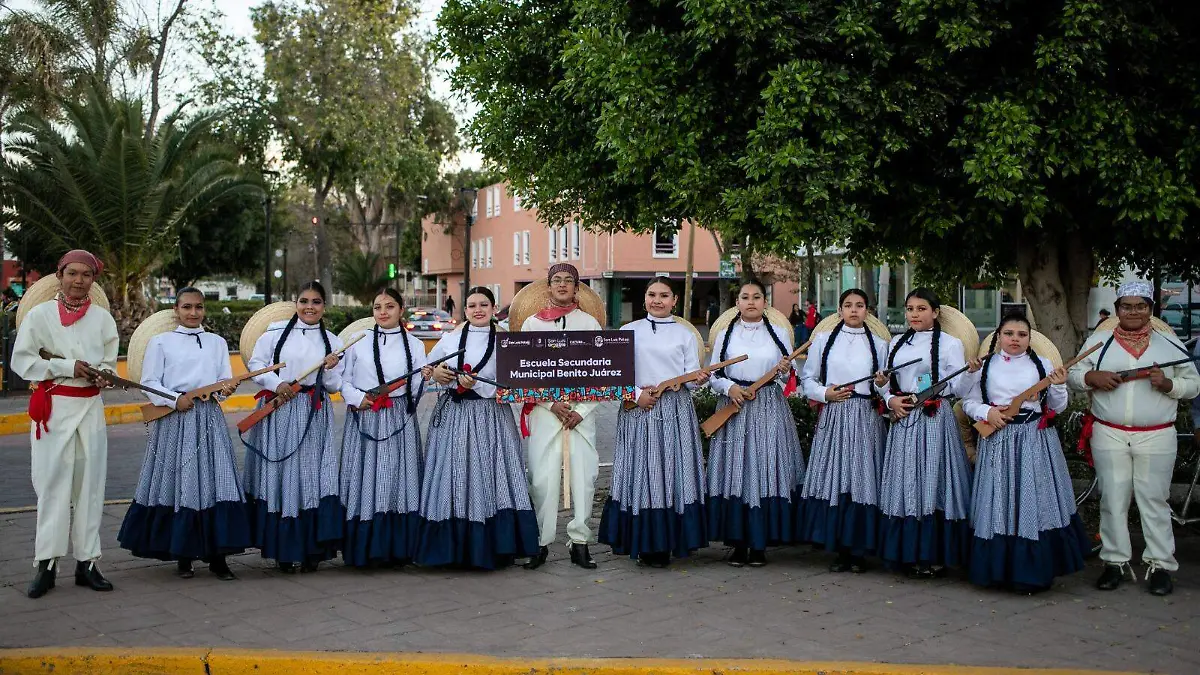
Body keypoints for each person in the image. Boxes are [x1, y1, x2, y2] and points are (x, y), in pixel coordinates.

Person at [1068, 280, 1200, 596]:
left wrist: (1168, 385)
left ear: (1150, 310)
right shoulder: (1099, 341)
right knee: (1113, 498)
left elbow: (1194, 385)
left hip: (1156, 435)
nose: (1134, 312)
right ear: (1117, 310)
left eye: (1141, 306)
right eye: (1127, 306)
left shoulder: (1170, 345)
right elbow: (1071, 375)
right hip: (1109, 432)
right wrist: (1090, 377)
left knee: (1154, 500)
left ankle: (1160, 565)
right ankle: (1115, 563)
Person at [117, 288, 247, 580]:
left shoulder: (216, 342)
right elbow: (149, 382)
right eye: (187, 307)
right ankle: (183, 554)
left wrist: (225, 390)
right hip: (175, 418)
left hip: (209, 419)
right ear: (176, 310)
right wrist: (175, 400)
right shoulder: (161, 343)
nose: (193, 312)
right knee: (181, 483)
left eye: (198, 307)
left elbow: (222, 381)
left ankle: (218, 557)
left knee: (217, 481)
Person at [13, 250, 119, 598]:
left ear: (93, 280)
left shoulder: (103, 319)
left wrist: (106, 375)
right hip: (54, 411)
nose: (78, 280)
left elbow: (109, 362)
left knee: (90, 486)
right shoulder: (38, 317)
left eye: (86, 275)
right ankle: (46, 564)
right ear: (59, 275)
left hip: (90, 408)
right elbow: (22, 361)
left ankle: (87, 563)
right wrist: (65, 367)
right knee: (52, 486)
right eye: (72, 273)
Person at [962, 313, 1089, 592]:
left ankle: (1030, 573)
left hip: (1034, 440)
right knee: (998, 502)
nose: (1015, 339)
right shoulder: (985, 367)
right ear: (999, 336)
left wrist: (1057, 385)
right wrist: (989, 412)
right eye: (1009, 334)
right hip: (997, 440)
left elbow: (1057, 406)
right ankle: (997, 571)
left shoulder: (1042, 365)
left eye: (1022, 334)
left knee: (1033, 500)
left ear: (1030, 338)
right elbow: (969, 402)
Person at [417, 286, 540, 569]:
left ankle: (498, 544)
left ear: (494, 308)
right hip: (455, 416)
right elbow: (427, 370)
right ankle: (453, 547)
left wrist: (482, 384)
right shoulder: (450, 339)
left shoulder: (507, 340)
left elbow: (516, 377)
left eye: (483, 304)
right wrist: (437, 373)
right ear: (465, 310)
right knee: (455, 470)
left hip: (491, 415)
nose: (478, 310)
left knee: (493, 471)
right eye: (472, 305)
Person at [599, 278, 709, 567]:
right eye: (651, 294)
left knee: (672, 470)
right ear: (644, 299)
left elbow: (691, 377)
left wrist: (698, 380)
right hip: (638, 407)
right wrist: (637, 395)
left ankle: (669, 541)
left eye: (664, 295)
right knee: (642, 472)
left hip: (675, 409)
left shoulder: (686, 334)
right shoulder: (628, 331)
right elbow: (615, 375)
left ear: (674, 300)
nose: (657, 300)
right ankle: (644, 543)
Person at [875, 288, 980, 579]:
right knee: (906, 481)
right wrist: (888, 397)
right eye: (910, 309)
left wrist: (969, 374)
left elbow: (958, 388)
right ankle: (906, 553)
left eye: (922, 309)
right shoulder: (895, 343)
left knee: (934, 481)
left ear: (935, 313)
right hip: (904, 417)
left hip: (935, 418)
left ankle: (934, 554)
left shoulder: (949, 344)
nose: (915, 314)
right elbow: (884, 384)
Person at [243, 280, 345, 573]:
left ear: (324, 306)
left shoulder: (334, 342)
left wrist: (330, 368)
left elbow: (336, 386)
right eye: (304, 301)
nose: (309, 307)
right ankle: (283, 552)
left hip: (314, 412)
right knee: (283, 476)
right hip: (280, 410)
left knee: (313, 476)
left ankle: (313, 549)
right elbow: (256, 366)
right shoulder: (273, 336)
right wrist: (277, 383)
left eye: (316, 302)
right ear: (295, 302)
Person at [707, 280, 804, 567]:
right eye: (745, 297)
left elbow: (789, 376)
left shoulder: (779, 335)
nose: (751, 302)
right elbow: (713, 375)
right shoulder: (725, 335)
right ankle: (738, 543)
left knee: (765, 469)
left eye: (757, 297)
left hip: (768, 407)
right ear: (736, 302)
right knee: (735, 471)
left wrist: (786, 370)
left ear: (765, 302)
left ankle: (760, 544)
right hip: (734, 406)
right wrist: (729, 389)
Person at [797, 289, 889, 573]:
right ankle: (838, 548)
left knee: (863, 480)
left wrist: (881, 384)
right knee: (834, 479)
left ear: (867, 311)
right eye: (848, 305)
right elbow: (807, 379)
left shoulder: (879, 344)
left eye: (859, 306)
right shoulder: (823, 341)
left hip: (865, 417)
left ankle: (859, 550)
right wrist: (826, 393)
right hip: (834, 415)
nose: (853, 310)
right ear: (839, 310)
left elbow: (884, 388)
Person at [520, 263, 604, 569]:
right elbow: (523, 373)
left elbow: (602, 373)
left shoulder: (590, 325)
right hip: (546, 413)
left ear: (577, 288)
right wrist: (550, 403)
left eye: (569, 280)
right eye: (557, 280)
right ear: (548, 286)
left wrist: (581, 410)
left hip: (581, 415)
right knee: (542, 479)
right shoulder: (532, 325)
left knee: (584, 479)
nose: (562, 285)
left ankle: (580, 542)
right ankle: (541, 543)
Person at [337, 288, 427, 568]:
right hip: (365, 415)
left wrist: (419, 384)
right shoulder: (358, 342)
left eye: (390, 306)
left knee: (401, 478)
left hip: (399, 417)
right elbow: (344, 381)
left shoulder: (415, 345)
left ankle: (399, 548)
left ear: (402, 310)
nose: (383, 312)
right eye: (377, 307)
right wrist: (357, 399)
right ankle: (364, 548)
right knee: (364, 477)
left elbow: (417, 385)